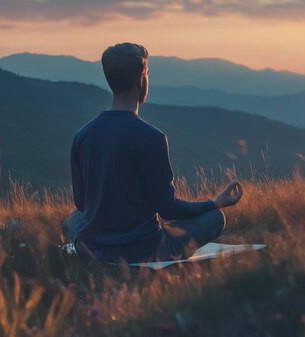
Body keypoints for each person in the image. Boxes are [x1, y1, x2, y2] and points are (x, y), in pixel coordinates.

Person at [64, 42, 244, 262]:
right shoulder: (152, 138)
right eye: (147, 73)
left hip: (93, 246)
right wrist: (214, 202)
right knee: (216, 218)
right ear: (141, 80)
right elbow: (168, 208)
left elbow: (82, 204)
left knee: (74, 218)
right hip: (145, 249)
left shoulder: (82, 135)